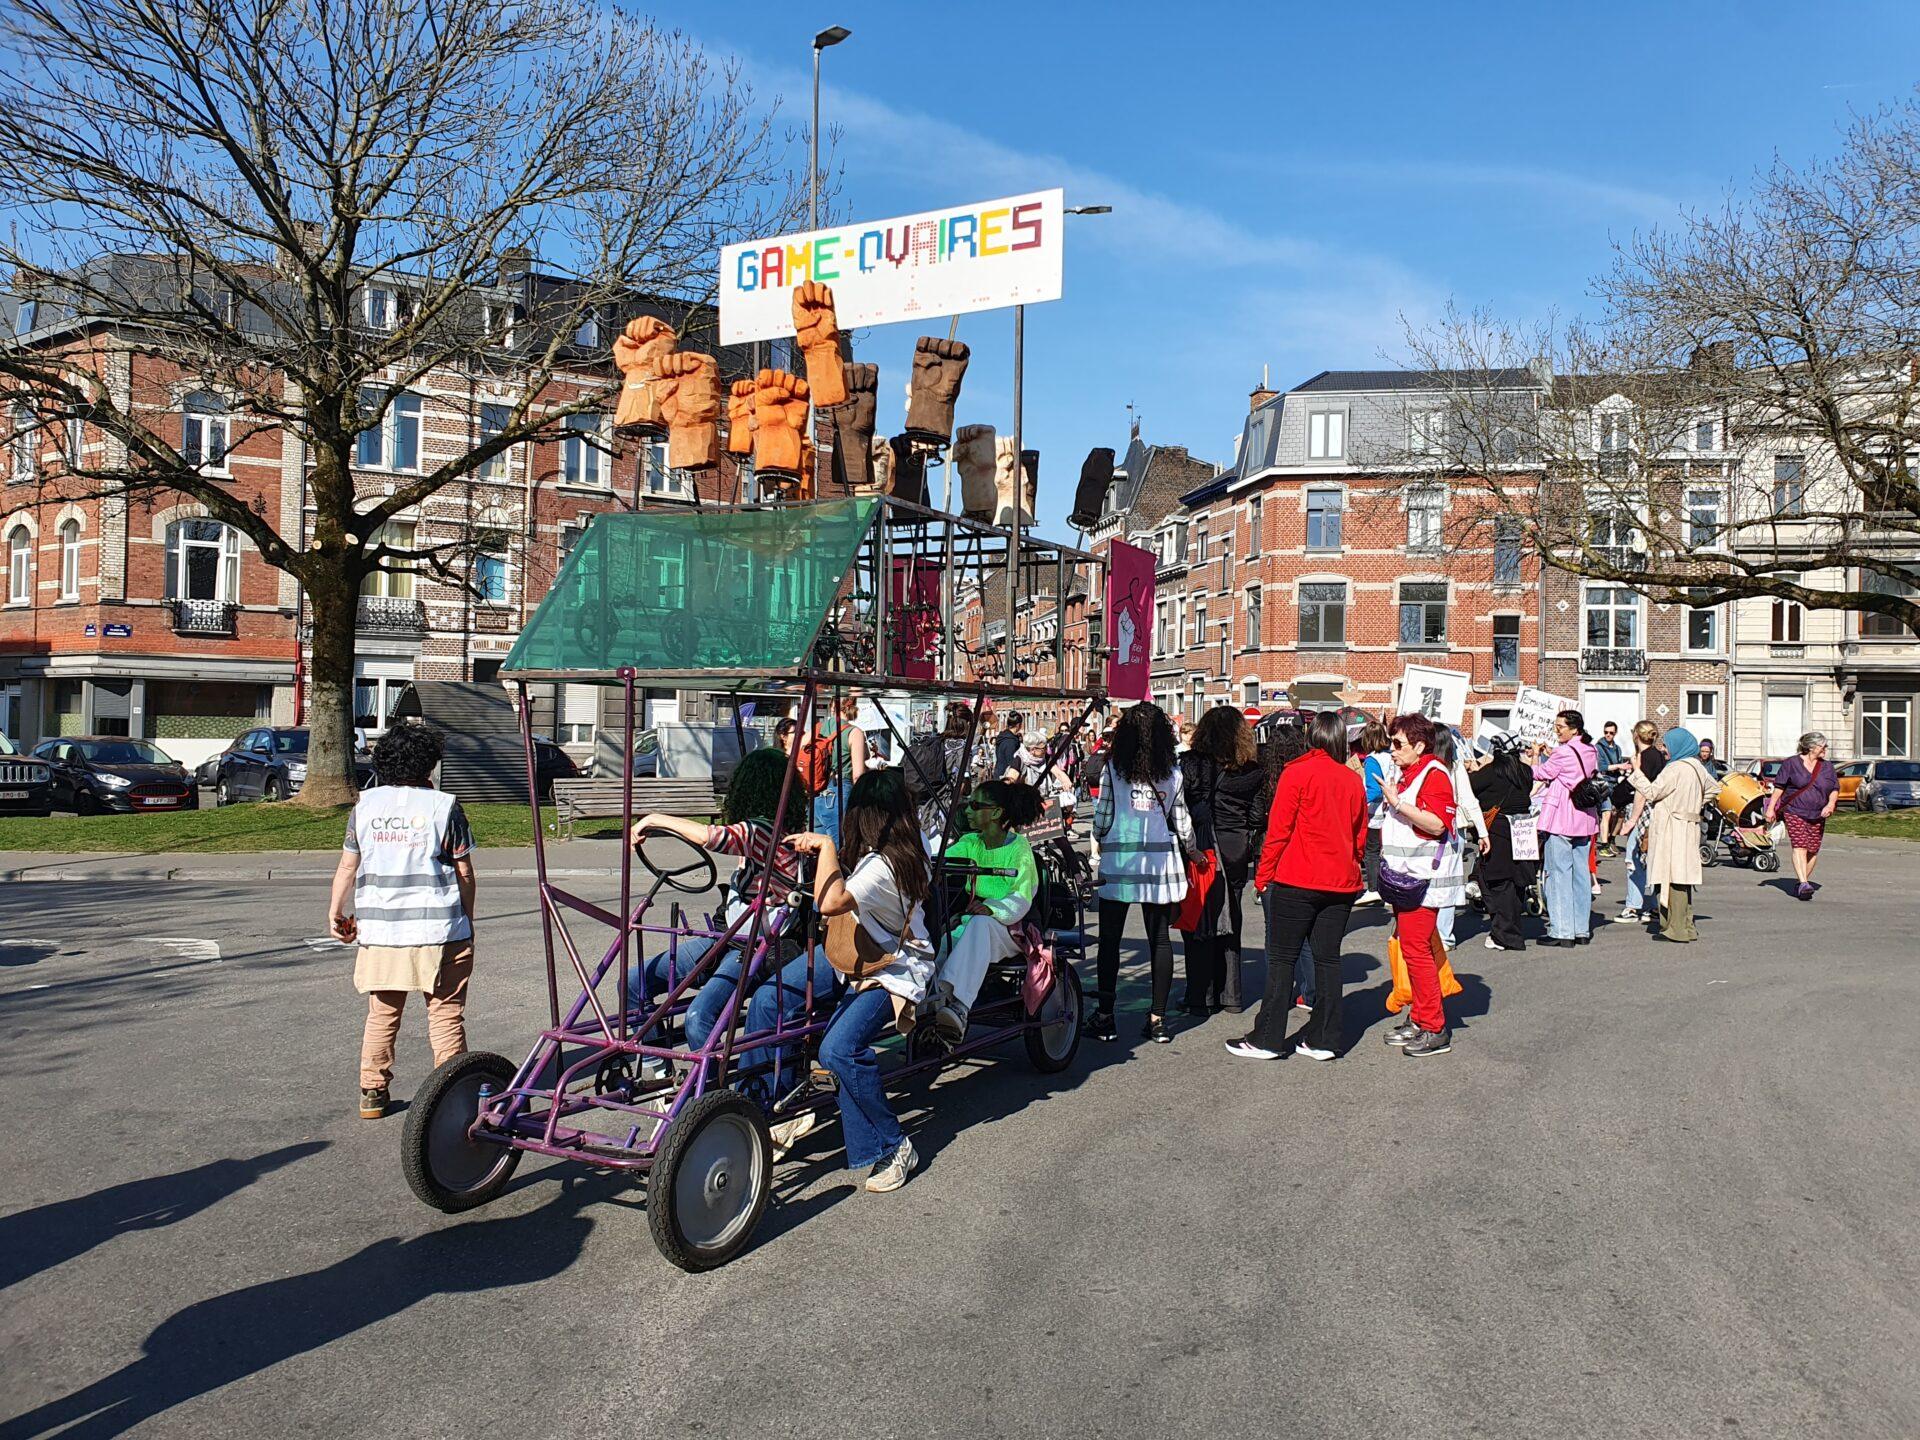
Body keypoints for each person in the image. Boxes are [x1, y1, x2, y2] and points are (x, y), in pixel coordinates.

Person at [625, 747, 816, 1073]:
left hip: (756, 943)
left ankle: (712, 1098)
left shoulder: (761, 831)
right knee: (632, 984)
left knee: (700, 1019)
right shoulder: (770, 831)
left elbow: (708, 836)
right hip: (728, 933)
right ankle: (662, 1069)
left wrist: (653, 819)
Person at [787, 770, 935, 1190]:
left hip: (896, 969)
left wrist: (828, 845)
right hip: (884, 958)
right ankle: (871, 1143)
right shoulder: (911, 846)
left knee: (839, 1049)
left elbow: (828, 902)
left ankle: (894, 1144)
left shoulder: (880, 865)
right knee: (835, 1048)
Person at [330, 724, 476, 1121]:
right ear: (429, 764)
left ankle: (373, 1092)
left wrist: (336, 911)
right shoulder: (444, 807)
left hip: (382, 931)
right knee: (445, 1014)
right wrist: (468, 917)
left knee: (382, 1014)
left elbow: (348, 865)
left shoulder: (365, 808)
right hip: (439, 931)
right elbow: (463, 870)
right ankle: (452, 1096)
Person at [1227, 711, 1366, 1063]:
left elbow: (1279, 831)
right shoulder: (1352, 780)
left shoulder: (1297, 774)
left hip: (1297, 878)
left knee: (1281, 961)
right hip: (1340, 881)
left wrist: (1263, 877)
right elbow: (1359, 836)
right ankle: (1325, 1038)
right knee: (1328, 960)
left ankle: (1268, 1038)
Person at [1090, 701, 1193, 1044]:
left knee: (1110, 941)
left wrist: (1103, 838)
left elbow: (1102, 817)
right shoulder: (1173, 773)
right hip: (1160, 863)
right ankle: (1158, 1019)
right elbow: (1181, 821)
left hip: (1120, 860)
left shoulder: (1113, 771)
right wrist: (1191, 849)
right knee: (1160, 940)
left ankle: (1106, 1017)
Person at [1378, 713, 1462, 1056]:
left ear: (1419, 745)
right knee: (1413, 948)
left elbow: (1438, 824)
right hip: (1409, 876)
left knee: (1416, 950)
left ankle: (1433, 1025)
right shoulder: (1410, 772)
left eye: (1398, 744)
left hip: (1425, 878)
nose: (1392, 750)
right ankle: (1422, 1017)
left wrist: (1398, 802)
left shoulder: (1434, 773)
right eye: (1391, 743)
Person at [932, 778, 1043, 1039]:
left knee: (980, 925)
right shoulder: (971, 842)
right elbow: (939, 860)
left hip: (1012, 928)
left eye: (974, 806)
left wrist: (993, 910)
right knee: (940, 938)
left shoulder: (1019, 848)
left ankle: (959, 1006)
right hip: (973, 923)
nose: (967, 811)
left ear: (995, 813)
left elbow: (1023, 895)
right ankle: (931, 999)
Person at [1185, 705, 1269, 1013]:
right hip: (1235, 848)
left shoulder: (1192, 765)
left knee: (1199, 919)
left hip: (1203, 848)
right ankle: (1231, 994)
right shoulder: (1252, 770)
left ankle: (1201, 995)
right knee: (1231, 918)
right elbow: (1258, 816)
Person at [1627, 727, 1716, 941]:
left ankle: (1674, 929)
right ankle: (1685, 926)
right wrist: (1693, 806)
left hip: (1671, 828)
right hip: (1688, 825)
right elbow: (1714, 789)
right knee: (1683, 877)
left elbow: (1651, 792)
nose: (1664, 750)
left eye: (1666, 745)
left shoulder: (1674, 768)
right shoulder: (1697, 767)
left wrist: (1636, 772)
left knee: (1671, 876)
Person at [1529, 709, 1600, 946]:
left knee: (1558, 875)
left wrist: (1534, 757)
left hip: (1562, 818)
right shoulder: (1590, 749)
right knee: (1581, 876)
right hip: (1585, 819)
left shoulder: (1563, 752)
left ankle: (1561, 931)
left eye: (1560, 726)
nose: (1556, 730)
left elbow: (1541, 773)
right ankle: (1581, 930)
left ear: (1574, 729)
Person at [1469, 737, 1536, 951]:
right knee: (1517, 880)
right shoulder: (1525, 772)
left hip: (1498, 830)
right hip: (1524, 827)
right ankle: (1509, 929)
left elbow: (1470, 788)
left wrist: (1475, 768)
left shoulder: (1491, 771)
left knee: (1495, 881)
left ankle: (1505, 934)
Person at [1429, 726, 1486, 951]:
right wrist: (1482, 832)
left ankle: (1431, 933)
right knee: (1449, 883)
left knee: (1428, 882)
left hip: (1429, 829)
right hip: (1454, 829)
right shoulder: (1454, 767)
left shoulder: (1426, 767)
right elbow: (1470, 801)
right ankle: (1444, 936)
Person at [1765, 730, 1840, 900]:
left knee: (1812, 850)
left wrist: (1830, 804)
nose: (1825, 749)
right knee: (1800, 845)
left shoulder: (1827, 767)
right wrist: (1771, 808)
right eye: (1823, 746)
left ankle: (1801, 882)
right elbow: (1779, 787)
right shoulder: (1791, 763)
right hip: (1795, 810)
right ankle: (1805, 883)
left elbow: (1835, 788)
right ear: (1812, 747)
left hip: (1818, 813)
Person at [1612, 720, 1664, 924]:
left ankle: (1633, 906)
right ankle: (1650, 906)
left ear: (1636, 735)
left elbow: (1642, 791)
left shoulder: (1644, 757)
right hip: (1654, 812)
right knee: (1648, 859)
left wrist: (1631, 821)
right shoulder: (1658, 756)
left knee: (1633, 859)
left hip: (1644, 813)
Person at [810, 696, 869, 846]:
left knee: (816, 849)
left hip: (816, 793)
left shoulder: (817, 728)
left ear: (831, 707)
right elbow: (858, 775)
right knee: (838, 849)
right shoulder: (854, 733)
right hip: (840, 791)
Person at [1355, 720, 1394, 903]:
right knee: (1388, 852)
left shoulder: (1372, 760)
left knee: (1372, 851)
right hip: (1392, 811)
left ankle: (1374, 888)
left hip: (1375, 813)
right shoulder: (1392, 756)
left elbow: (1374, 790)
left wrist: (1359, 803)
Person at [1594, 721, 1625, 857]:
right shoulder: (1599, 747)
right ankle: (1604, 845)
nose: (1608, 735)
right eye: (1606, 732)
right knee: (1606, 812)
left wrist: (1622, 771)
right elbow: (1601, 767)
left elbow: (1618, 766)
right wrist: (1619, 766)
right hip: (1603, 783)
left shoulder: (1618, 748)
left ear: (1615, 733)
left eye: (1611, 733)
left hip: (1615, 782)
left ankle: (1611, 839)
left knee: (1618, 813)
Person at [993, 711, 1025, 777]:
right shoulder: (1011, 741)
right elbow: (1012, 762)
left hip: (999, 771)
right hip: (1006, 776)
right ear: (1018, 725)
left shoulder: (1002, 736)